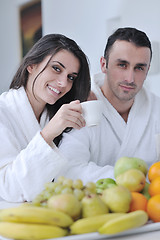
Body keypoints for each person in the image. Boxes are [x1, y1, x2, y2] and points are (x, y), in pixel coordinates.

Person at [58, 27, 160, 184]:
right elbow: (68, 171)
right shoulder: (82, 104)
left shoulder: (156, 108)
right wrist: (132, 181)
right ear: (103, 64)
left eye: (139, 68)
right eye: (122, 65)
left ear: (147, 71)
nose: (130, 78)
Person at [0, 34, 91, 202]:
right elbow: (9, 188)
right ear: (32, 65)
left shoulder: (54, 116)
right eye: (56, 68)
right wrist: (49, 132)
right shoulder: (3, 112)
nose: (64, 83)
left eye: (71, 77)